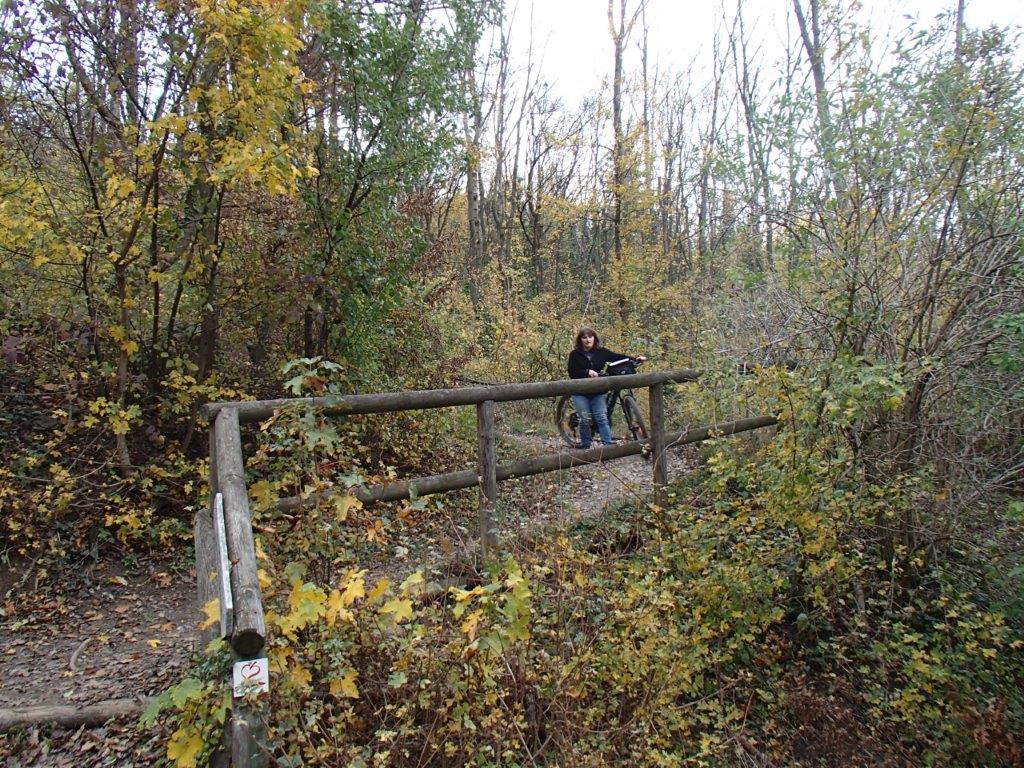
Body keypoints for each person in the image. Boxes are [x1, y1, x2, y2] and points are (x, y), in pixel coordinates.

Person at [567, 328, 646, 449]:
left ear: (594, 338)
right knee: (585, 419)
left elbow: (618, 357)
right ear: (580, 340)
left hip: (597, 391)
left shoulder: (601, 352)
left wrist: (635, 359)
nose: (588, 340)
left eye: (590, 337)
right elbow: (572, 372)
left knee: (602, 418)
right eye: (584, 337)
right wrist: (587, 372)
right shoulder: (575, 355)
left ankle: (608, 446)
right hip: (580, 392)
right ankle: (585, 445)